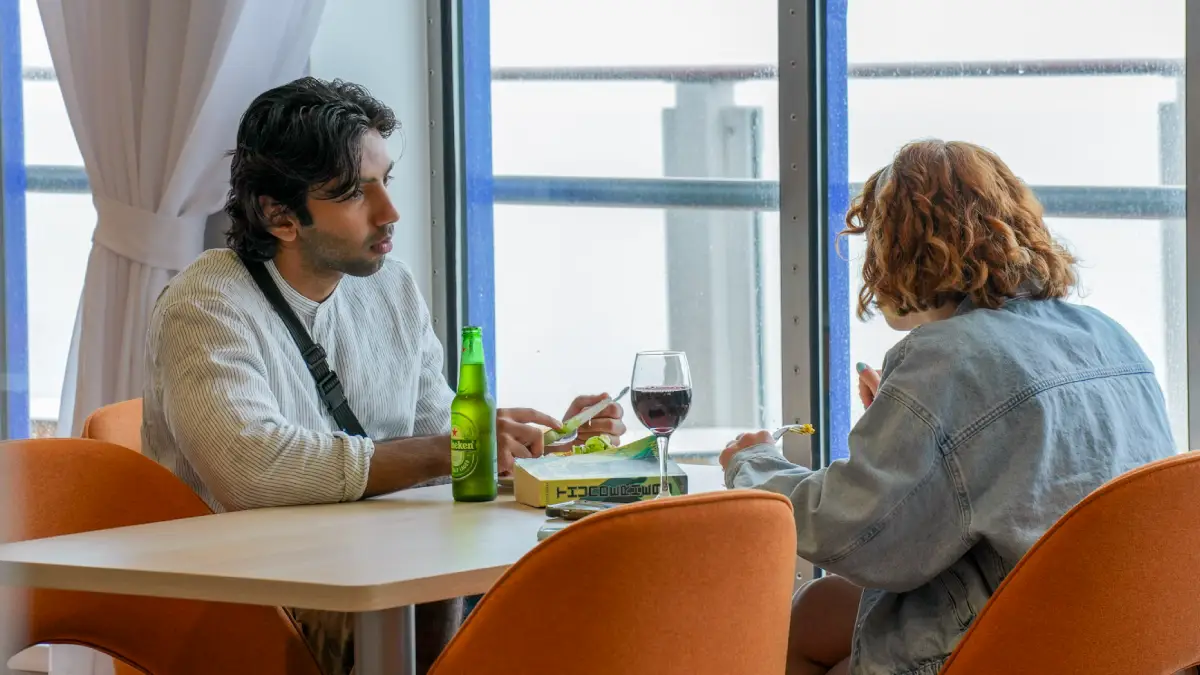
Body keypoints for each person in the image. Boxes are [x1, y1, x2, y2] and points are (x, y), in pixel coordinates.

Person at [141, 77, 625, 675]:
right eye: (353, 193)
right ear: (279, 215)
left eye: (385, 182)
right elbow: (253, 472)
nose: (390, 212)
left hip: (380, 574)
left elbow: (438, 433)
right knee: (443, 599)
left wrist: (539, 450)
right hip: (252, 602)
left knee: (584, 595)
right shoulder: (206, 303)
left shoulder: (390, 288)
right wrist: (454, 452)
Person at [720, 139, 1176, 675]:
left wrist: (752, 464)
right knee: (818, 611)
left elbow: (847, 532)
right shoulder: (1107, 334)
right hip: (1131, 632)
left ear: (898, 247)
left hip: (1021, 638)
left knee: (797, 636)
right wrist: (907, 418)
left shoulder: (944, 359)